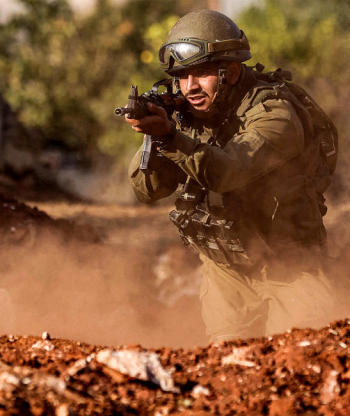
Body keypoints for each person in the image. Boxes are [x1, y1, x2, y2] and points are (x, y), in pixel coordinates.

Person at [125, 9, 337, 342]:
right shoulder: (187, 113)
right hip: (227, 268)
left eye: (203, 73)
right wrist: (155, 134)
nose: (190, 86)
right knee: (228, 367)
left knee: (299, 361)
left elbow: (228, 173)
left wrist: (169, 136)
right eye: (182, 76)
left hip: (291, 265)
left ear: (232, 72)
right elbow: (147, 189)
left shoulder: (275, 114)